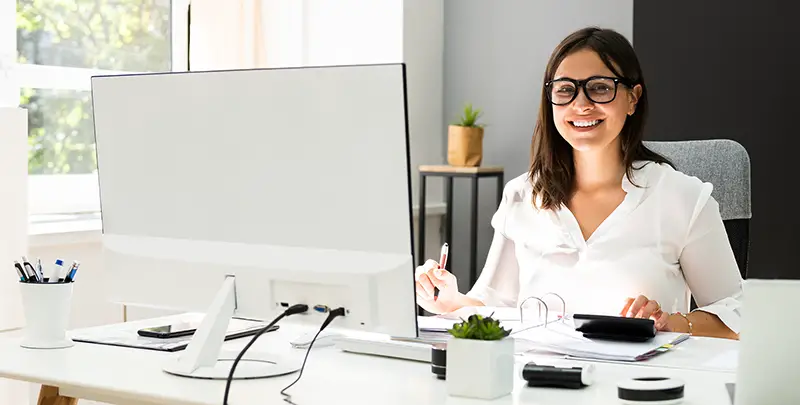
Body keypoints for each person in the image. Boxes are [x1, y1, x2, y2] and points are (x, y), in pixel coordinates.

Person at [415, 27, 742, 340]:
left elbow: (740, 314)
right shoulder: (523, 194)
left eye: (600, 87)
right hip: (539, 385)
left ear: (633, 99)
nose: (581, 104)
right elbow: (494, 304)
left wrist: (670, 323)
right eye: (565, 89)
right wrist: (450, 300)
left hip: (637, 388)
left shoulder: (683, 198)